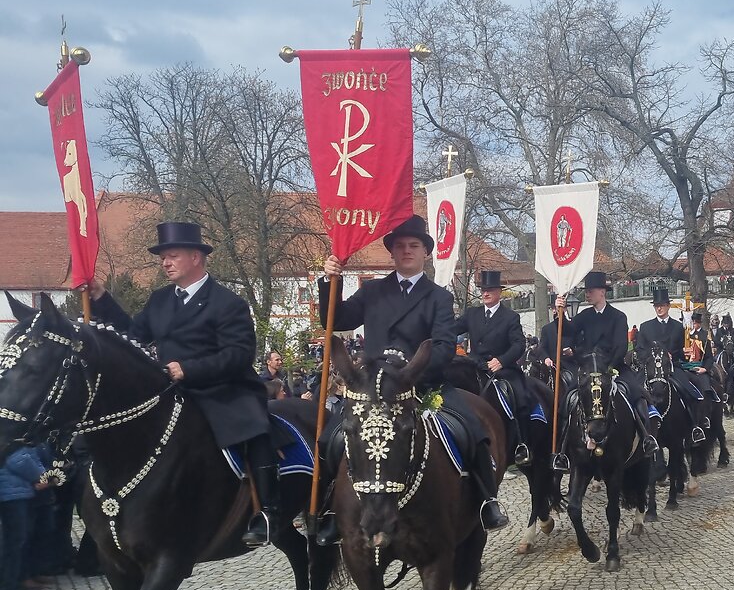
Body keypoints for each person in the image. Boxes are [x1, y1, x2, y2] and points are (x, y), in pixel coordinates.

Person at [90, 222, 284, 546]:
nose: (165, 263)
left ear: (196, 257)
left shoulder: (228, 303)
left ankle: (268, 511)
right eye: (163, 257)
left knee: (254, 429)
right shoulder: (159, 300)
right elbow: (131, 338)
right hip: (173, 390)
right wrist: (101, 298)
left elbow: (239, 355)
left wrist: (189, 369)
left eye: (172, 256)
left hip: (224, 388)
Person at [320, 214, 508, 531]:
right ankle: (329, 508)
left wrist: (409, 372)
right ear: (392, 252)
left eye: (414, 245)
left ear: (425, 252)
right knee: (331, 437)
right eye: (401, 246)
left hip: (423, 384)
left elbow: (445, 346)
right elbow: (335, 321)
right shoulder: (372, 292)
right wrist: (329, 282)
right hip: (374, 390)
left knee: (472, 429)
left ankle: (488, 500)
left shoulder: (439, 297)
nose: (407, 250)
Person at [557, 271, 660, 456]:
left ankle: (646, 437)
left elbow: (621, 346)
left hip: (613, 367)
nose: (587, 294)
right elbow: (568, 330)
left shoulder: (618, 316)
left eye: (590, 291)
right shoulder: (584, 316)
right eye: (586, 291)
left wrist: (610, 368)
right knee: (567, 399)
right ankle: (562, 448)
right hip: (588, 370)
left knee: (637, 393)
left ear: (602, 292)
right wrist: (560, 313)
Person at [453, 270, 534, 467]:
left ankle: (521, 444)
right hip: (475, 365)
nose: (485, 293)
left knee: (519, 397)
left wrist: (502, 360)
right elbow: (451, 329)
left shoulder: (510, 317)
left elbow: (518, 344)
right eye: (483, 290)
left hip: (501, 367)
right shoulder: (472, 314)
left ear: (499, 292)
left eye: (490, 290)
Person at [637, 288, 712, 443]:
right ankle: (637, 430)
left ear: (668, 306)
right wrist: (651, 357)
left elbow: (681, 352)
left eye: (662, 305)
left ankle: (695, 425)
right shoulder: (645, 327)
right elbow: (640, 350)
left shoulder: (678, 327)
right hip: (651, 369)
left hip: (672, 368)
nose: (659, 308)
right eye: (656, 305)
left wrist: (681, 353)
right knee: (634, 390)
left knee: (689, 389)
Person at [0, 445, 51, 590]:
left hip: (15, 491)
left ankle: (14, 584)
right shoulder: (12, 436)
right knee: (14, 541)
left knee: (16, 541)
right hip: (12, 493)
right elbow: (18, 459)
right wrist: (41, 475)